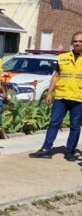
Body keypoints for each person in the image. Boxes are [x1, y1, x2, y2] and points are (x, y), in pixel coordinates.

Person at [29, 32, 82, 161]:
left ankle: (70, 152)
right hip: (61, 97)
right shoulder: (62, 57)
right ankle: (46, 149)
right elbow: (56, 76)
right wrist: (49, 93)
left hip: (79, 98)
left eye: (80, 41)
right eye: (75, 41)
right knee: (54, 123)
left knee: (75, 126)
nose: (77, 43)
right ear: (72, 42)